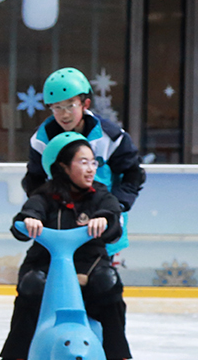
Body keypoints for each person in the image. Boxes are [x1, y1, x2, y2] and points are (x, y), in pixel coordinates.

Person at [0, 131, 131, 360]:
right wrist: (30, 220)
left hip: (89, 265)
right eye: (83, 162)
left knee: (108, 283)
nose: (91, 169)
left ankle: (116, 359)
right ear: (63, 167)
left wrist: (104, 220)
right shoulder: (45, 196)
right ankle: (13, 359)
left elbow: (112, 218)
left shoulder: (99, 195)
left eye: (93, 162)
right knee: (32, 286)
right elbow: (25, 217)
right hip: (47, 265)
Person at [24, 67, 145, 255]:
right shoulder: (41, 140)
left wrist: (115, 208)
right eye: (57, 107)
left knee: (100, 278)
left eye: (70, 105)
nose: (64, 114)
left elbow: (133, 174)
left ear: (85, 104)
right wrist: (41, 211)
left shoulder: (111, 137)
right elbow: (34, 180)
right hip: (59, 224)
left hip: (101, 220)